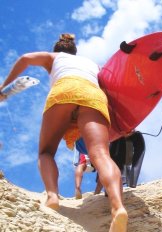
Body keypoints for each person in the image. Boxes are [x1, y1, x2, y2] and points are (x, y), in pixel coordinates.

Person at [0, 33, 128, 232]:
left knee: (46, 152)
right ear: (75, 51)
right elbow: (110, 89)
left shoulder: (54, 58)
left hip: (64, 91)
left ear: (57, 50)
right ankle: (118, 208)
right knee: (101, 154)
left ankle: (52, 195)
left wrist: (2, 87)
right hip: (93, 96)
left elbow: (25, 59)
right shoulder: (93, 65)